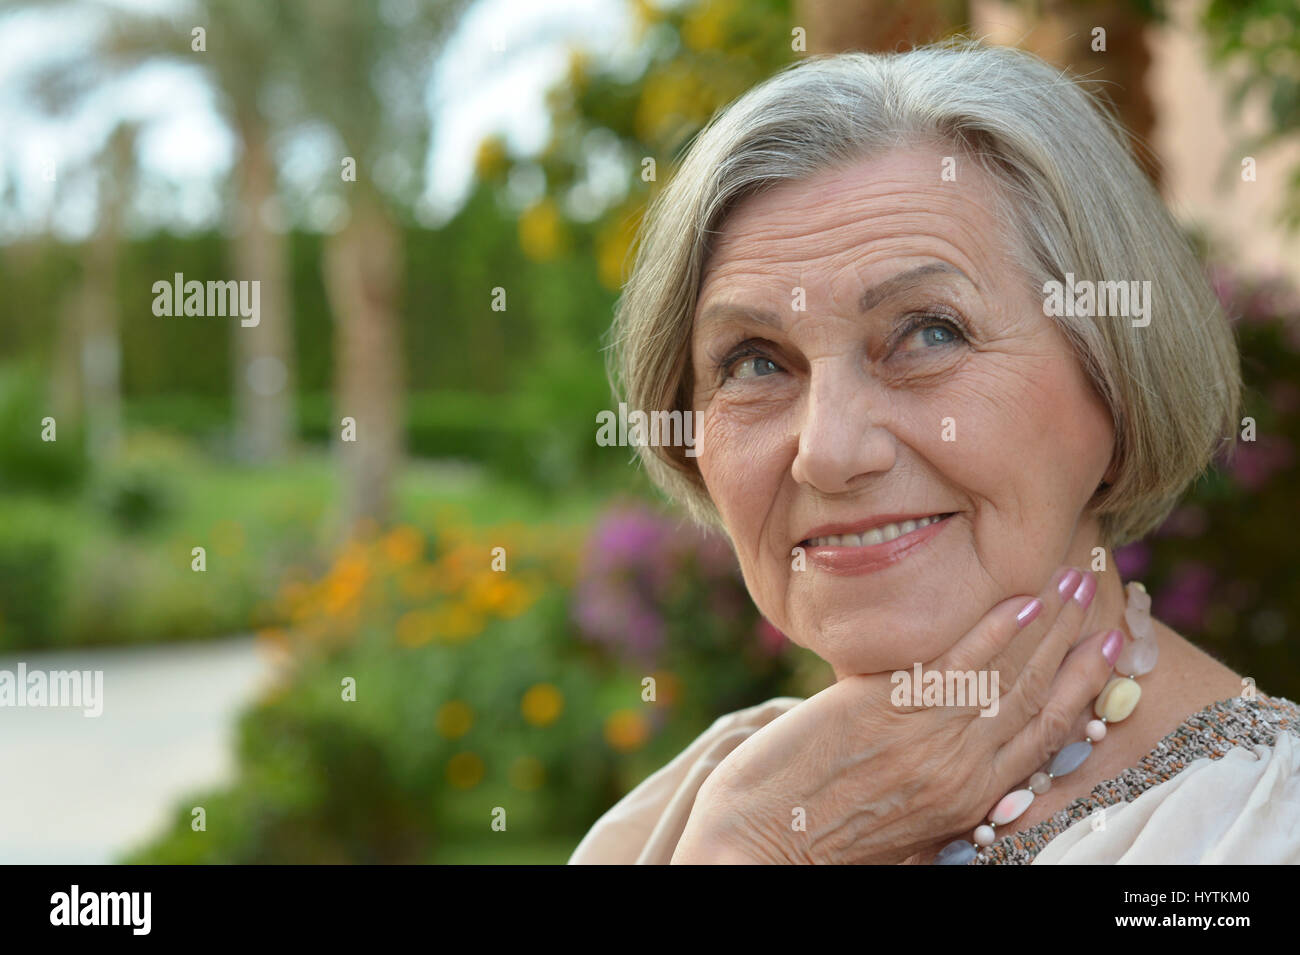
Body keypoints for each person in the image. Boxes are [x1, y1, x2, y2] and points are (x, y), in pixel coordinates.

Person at [569, 41, 1300, 864]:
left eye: (929, 333)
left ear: (1117, 385)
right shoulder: (693, 809)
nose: (829, 451)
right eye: (755, 362)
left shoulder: (1257, 832)